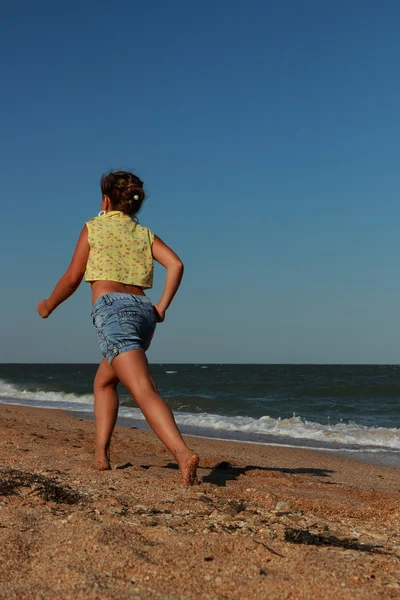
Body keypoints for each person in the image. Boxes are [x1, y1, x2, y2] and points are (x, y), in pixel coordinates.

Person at [37, 171, 199, 486]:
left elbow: (72, 277)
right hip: (143, 312)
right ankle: (101, 454)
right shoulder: (145, 234)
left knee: (142, 387)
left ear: (105, 199)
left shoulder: (93, 228)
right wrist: (162, 306)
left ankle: (183, 453)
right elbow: (176, 264)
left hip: (114, 312)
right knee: (104, 382)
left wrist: (48, 305)